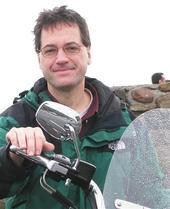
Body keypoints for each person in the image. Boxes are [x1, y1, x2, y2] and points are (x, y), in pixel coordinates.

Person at [0, 5, 169, 209]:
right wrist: (13, 157)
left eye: (71, 48)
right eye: (50, 50)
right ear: (40, 58)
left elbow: (152, 194)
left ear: (88, 52)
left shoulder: (126, 125)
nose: (61, 58)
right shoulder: (13, 121)